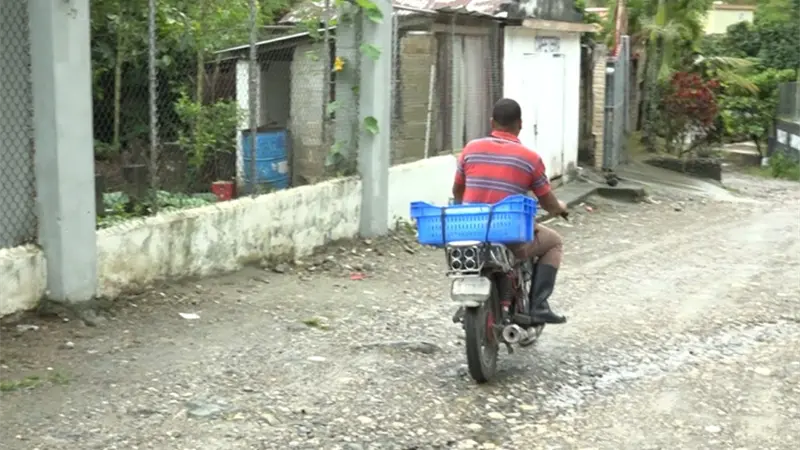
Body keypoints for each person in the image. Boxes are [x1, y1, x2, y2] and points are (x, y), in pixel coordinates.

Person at [451, 98, 568, 324]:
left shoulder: (470, 149)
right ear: (520, 125)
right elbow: (548, 203)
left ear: (492, 122)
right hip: (509, 233)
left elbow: (457, 190)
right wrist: (559, 208)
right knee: (553, 241)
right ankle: (539, 307)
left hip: (471, 229)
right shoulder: (530, 159)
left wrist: (464, 210)